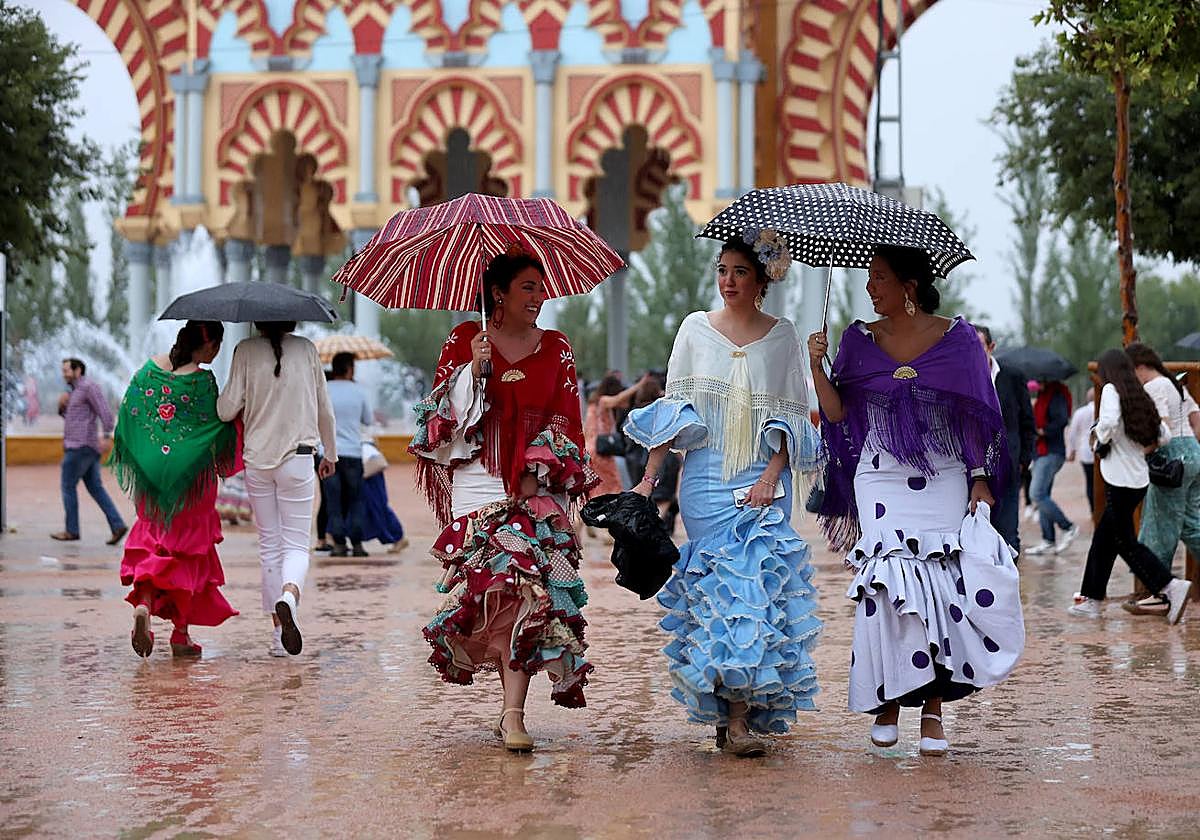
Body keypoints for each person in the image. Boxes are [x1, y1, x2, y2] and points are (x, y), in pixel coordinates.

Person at [809, 245, 1023, 757]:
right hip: (879, 475)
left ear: (908, 286)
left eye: (878, 278)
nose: (868, 288)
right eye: (867, 278)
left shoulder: (960, 339)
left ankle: (932, 710)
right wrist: (817, 367)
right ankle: (887, 700)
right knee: (886, 587)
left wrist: (979, 477)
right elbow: (837, 414)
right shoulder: (857, 341)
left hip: (946, 472)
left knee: (940, 587)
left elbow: (977, 415)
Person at [626, 231, 821, 758]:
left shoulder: (784, 336)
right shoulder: (693, 329)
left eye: (740, 271)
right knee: (718, 594)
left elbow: (792, 414)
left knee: (755, 590)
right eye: (723, 269)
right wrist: (649, 478)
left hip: (762, 481)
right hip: (706, 482)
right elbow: (675, 409)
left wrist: (771, 476)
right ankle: (723, 705)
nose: (728, 280)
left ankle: (739, 719)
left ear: (762, 279)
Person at [409, 248, 596, 752]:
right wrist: (473, 371)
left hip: (536, 483)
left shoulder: (557, 347)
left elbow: (566, 417)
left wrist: (537, 474)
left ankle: (513, 713)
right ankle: (509, 704)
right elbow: (440, 419)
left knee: (531, 592)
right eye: (528, 287)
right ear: (499, 293)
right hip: (478, 482)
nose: (539, 297)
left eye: (541, 288)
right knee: (499, 590)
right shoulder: (465, 339)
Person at [109, 321, 239, 658]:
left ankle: (145, 605)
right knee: (188, 552)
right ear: (209, 346)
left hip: (153, 479)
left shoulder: (149, 369)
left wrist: (147, 456)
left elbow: (130, 414)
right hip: (192, 482)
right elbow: (217, 424)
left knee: (155, 539)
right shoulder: (202, 381)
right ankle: (180, 634)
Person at [217, 322, 336, 657]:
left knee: (270, 546)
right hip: (298, 459)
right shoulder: (307, 350)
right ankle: (289, 596)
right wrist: (332, 453)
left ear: (257, 322)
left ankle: (277, 637)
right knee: (297, 544)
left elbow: (225, 410)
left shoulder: (245, 350)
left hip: (258, 461)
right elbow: (324, 408)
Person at [1069, 349, 1192, 623]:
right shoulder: (1138, 393)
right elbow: (1164, 434)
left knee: (1123, 542)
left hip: (1119, 480)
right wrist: (1134, 448)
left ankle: (1169, 585)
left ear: (1107, 371)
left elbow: (1110, 422)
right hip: (1137, 479)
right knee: (1105, 540)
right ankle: (1092, 599)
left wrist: (1099, 436)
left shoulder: (1113, 390)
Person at [1127, 343, 1200, 609]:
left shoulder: (1154, 387)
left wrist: (1140, 454)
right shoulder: (1175, 384)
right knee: (1192, 524)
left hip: (1172, 458)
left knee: (1159, 526)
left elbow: (1162, 428)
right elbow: (1196, 420)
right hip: (1193, 453)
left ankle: (1161, 592)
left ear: (1140, 366)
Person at [52, 358, 128, 545]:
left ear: (78, 370)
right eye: (63, 371)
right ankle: (117, 525)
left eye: (67, 370)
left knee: (67, 486)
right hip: (81, 446)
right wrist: (62, 407)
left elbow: (105, 412)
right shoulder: (74, 391)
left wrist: (107, 435)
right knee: (95, 487)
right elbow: (74, 418)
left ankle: (71, 530)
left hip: (81, 446)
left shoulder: (88, 387)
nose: (64, 374)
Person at [975, 325, 1035, 552]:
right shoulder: (962, 379)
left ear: (991, 347)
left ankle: (1009, 578)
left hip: (1009, 463)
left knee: (1008, 531)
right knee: (978, 530)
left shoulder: (1012, 376)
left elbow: (1026, 421)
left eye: (979, 347)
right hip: (973, 467)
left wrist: (1025, 458)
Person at [323, 352, 373, 557]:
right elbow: (368, 420)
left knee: (333, 500)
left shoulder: (323, 390)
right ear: (350, 368)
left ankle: (338, 543)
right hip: (353, 453)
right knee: (355, 500)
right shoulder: (359, 391)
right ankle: (358, 543)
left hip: (327, 453)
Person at [1026, 379, 1079, 556]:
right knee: (1043, 496)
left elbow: (1062, 420)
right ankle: (1048, 539)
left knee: (1037, 494)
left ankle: (1068, 527)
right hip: (1040, 452)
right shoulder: (1043, 394)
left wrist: (1043, 431)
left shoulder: (1056, 394)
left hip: (1051, 451)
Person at [584, 373, 644, 496]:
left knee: (596, 487)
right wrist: (640, 385)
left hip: (589, 449)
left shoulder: (592, 405)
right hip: (600, 451)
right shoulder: (603, 401)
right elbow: (619, 399)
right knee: (612, 486)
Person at [1065, 387, 1097, 513]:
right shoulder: (1103, 410)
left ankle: (1093, 510)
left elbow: (1072, 433)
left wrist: (1072, 451)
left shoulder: (1080, 412)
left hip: (1086, 452)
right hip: (1103, 452)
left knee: (1090, 482)